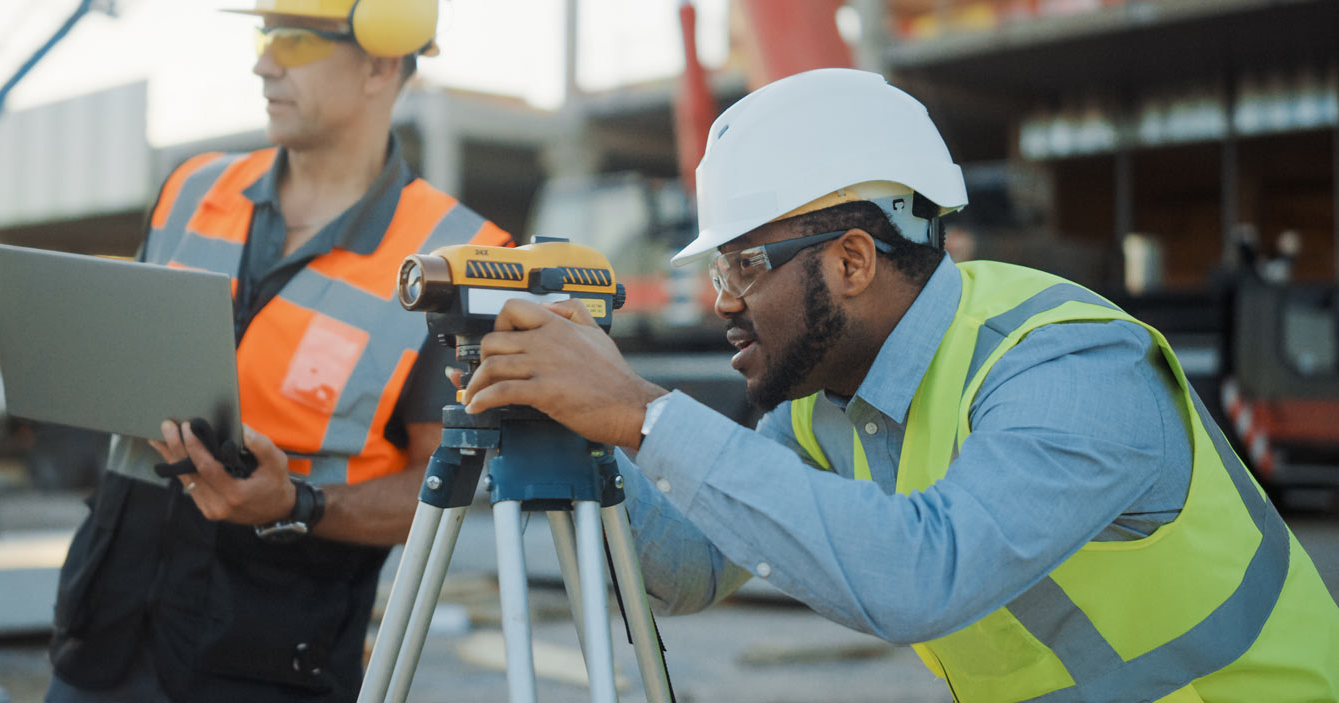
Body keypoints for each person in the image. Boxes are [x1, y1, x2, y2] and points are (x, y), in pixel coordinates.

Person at [461, 68, 1339, 701]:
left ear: (852, 261)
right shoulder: (825, 410)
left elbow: (924, 575)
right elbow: (688, 570)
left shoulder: (1067, 364)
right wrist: (580, 421)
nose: (721, 300)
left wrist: (641, 411)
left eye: (742, 265)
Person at [45, 2, 512, 701]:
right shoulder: (191, 190)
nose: (263, 63)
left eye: (293, 41)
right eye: (265, 35)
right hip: (104, 638)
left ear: (380, 66)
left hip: (268, 658)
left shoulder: (452, 261)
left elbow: (443, 489)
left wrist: (298, 502)